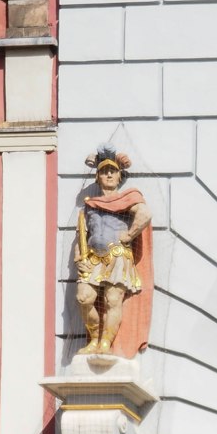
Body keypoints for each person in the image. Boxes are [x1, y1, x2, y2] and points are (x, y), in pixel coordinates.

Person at [76, 148, 153, 357]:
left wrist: (129, 235)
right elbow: (81, 234)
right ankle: (94, 338)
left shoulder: (127, 197)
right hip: (92, 258)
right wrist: (78, 259)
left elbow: (144, 214)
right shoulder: (90, 205)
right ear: (98, 176)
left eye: (113, 171)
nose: (109, 174)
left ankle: (105, 343)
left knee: (112, 299)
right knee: (84, 298)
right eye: (104, 171)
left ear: (120, 175)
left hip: (117, 255)